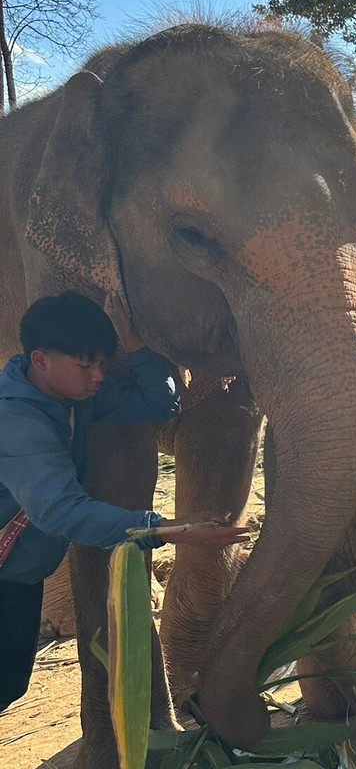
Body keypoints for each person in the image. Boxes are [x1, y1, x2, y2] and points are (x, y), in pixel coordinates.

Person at [0, 292, 248, 714]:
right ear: (40, 360)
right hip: (10, 572)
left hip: (17, 573)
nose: (99, 376)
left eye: (102, 362)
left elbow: (161, 404)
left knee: (8, 682)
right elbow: (61, 511)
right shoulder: (17, 422)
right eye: (85, 365)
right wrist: (170, 529)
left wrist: (135, 346)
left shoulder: (76, 397)